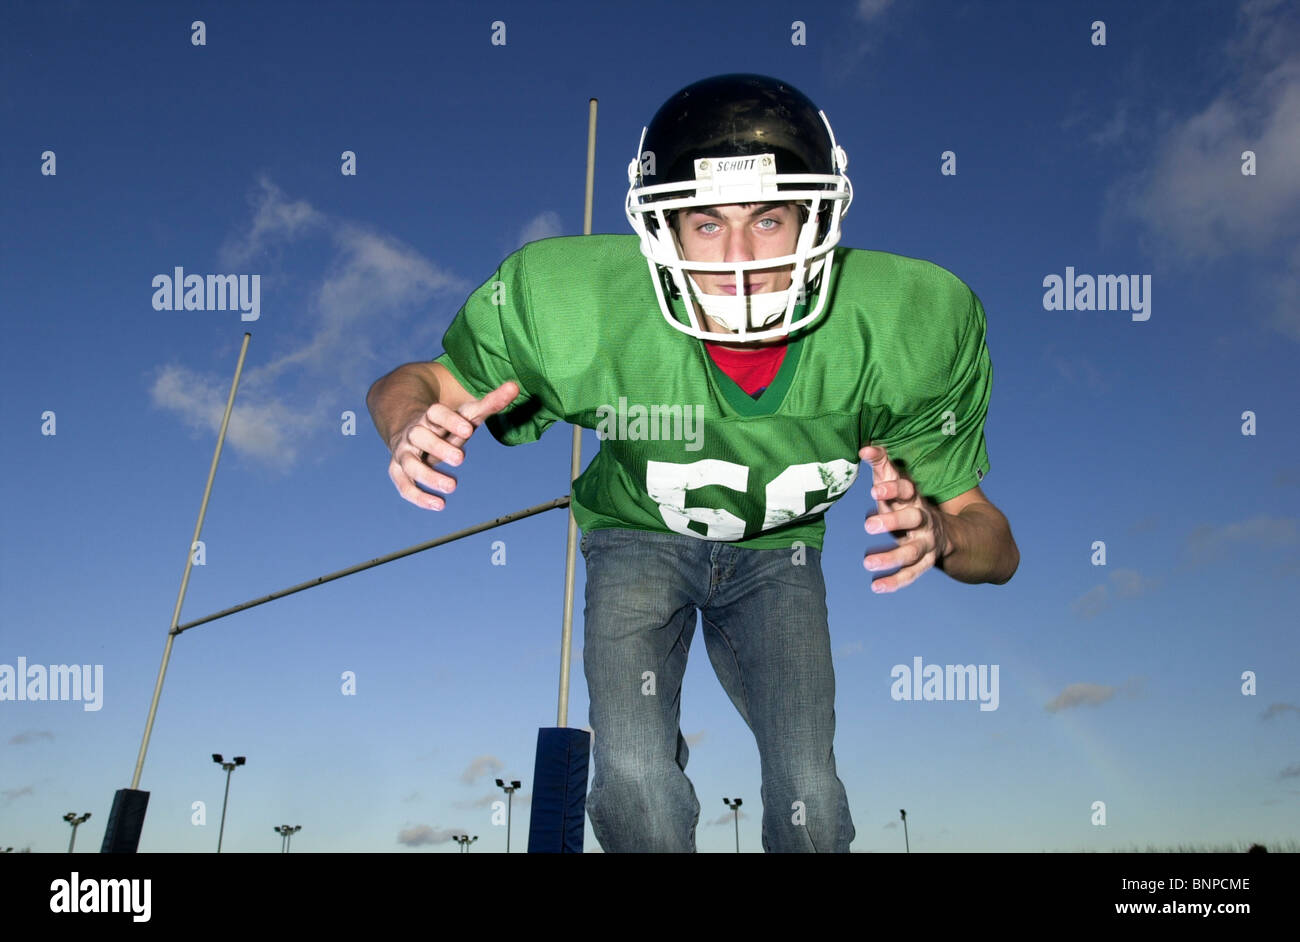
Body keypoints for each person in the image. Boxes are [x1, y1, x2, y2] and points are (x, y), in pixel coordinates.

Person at [366, 73, 1019, 853]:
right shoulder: (575, 305)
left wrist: (944, 534)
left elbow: (995, 544)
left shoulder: (909, 326)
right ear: (662, 232)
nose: (738, 258)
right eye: (705, 224)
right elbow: (416, 380)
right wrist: (411, 423)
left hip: (776, 556)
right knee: (635, 779)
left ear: (818, 216)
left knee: (810, 789)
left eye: (770, 219)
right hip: (635, 536)